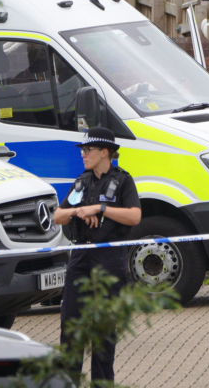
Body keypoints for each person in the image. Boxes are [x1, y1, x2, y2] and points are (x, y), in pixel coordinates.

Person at [55, 127, 142, 386]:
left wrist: (101, 208)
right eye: (83, 150)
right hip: (81, 257)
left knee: (103, 330)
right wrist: (80, 210)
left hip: (109, 258)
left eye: (88, 150)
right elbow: (58, 216)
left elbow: (135, 216)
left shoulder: (123, 180)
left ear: (105, 152)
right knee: (71, 326)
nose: (83, 154)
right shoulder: (82, 181)